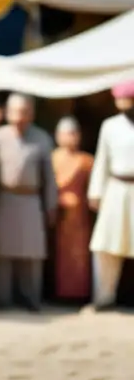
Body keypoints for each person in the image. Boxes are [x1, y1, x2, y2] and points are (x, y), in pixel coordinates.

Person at [0, 94, 57, 311]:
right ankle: (0, 299)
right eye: (15, 111)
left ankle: (31, 298)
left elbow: (49, 177)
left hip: (31, 200)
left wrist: (50, 205)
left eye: (24, 111)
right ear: (7, 113)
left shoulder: (42, 138)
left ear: (32, 113)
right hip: (3, 199)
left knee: (32, 252)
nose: (19, 116)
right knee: (0, 252)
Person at [87, 83, 134, 311]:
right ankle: (104, 298)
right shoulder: (110, 126)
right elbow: (101, 161)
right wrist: (95, 192)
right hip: (115, 188)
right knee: (105, 246)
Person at [51, 117, 94, 302]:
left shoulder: (86, 160)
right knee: (56, 256)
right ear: (58, 136)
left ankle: (79, 294)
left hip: (80, 216)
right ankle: (55, 293)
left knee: (79, 256)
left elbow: (93, 188)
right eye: (66, 133)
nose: (70, 137)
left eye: (74, 133)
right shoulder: (51, 158)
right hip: (56, 214)